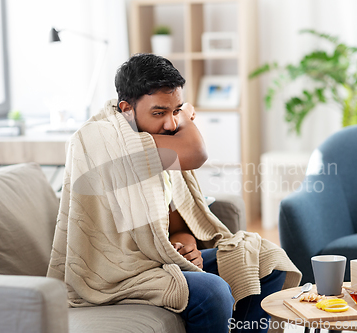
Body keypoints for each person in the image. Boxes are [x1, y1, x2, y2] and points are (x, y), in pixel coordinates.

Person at [47, 53, 301, 333]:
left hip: (159, 260)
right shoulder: (102, 138)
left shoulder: (153, 141)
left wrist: (186, 246)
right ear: (126, 109)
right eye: (159, 113)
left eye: (175, 110)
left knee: (266, 258)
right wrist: (187, 114)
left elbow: (175, 224)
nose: (170, 124)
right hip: (120, 273)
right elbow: (196, 152)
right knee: (212, 291)